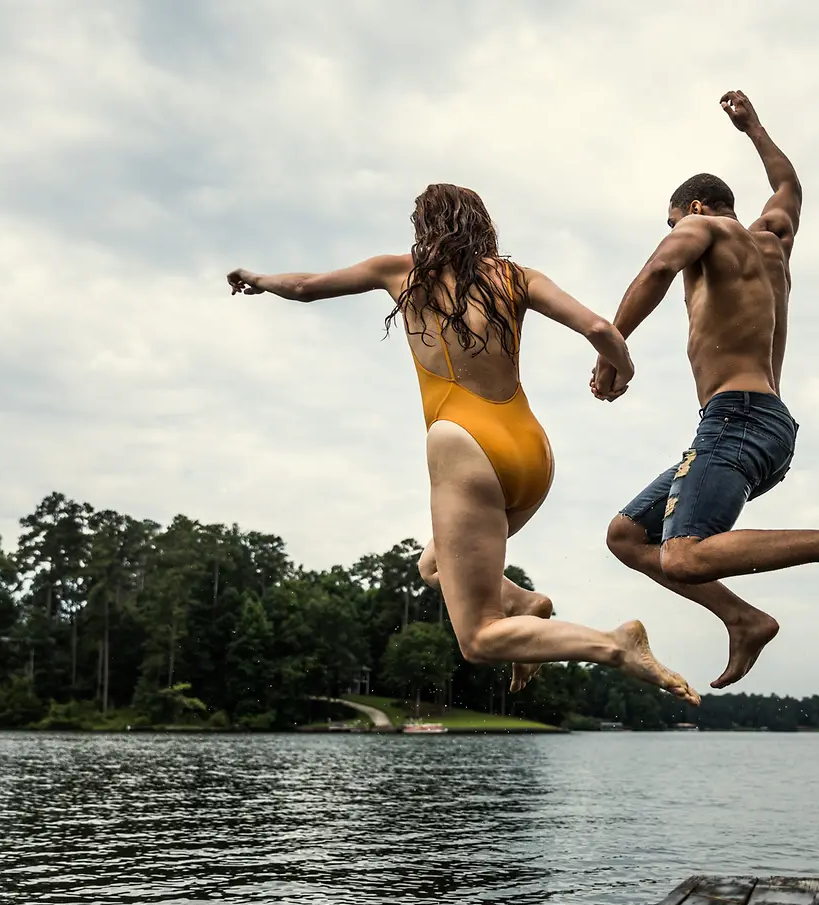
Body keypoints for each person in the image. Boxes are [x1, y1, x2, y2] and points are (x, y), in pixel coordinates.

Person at [227, 183, 699, 705]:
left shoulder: (400, 272)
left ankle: (613, 645)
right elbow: (598, 327)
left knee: (478, 638)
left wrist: (259, 279)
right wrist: (620, 371)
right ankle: (524, 604)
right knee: (432, 564)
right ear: (482, 225)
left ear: (424, 228)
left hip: (464, 448)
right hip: (530, 452)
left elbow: (308, 285)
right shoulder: (518, 278)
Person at [592, 91, 819, 691]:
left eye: (674, 220)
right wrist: (754, 128)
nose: (679, 231)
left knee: (684, 554)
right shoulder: (773, 238)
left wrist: (611, 345)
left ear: (694, 208)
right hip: (760, 424)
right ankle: (743, 618)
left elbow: (656, 271)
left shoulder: (702, 226)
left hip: (735, 418)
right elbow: (789, 185)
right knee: (627, 537)